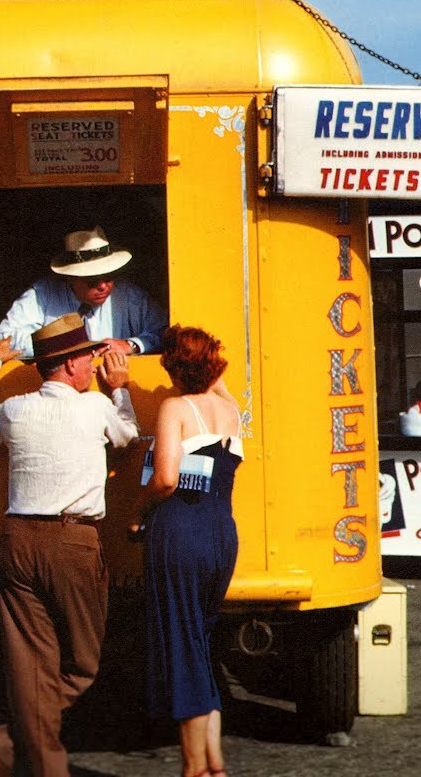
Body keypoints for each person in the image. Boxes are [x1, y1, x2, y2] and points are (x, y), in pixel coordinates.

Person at [0, 313, 139, 777]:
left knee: (29, 663)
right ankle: (6, 741)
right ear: (67, 365)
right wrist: (120, 387)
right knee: (82, 664)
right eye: (89, 356)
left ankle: (14, 751)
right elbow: (127, 435)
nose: (95, 363)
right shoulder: (96, 407)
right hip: (73, 541)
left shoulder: (17, 409)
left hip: (18, 539)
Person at [128, 325, 242, 777]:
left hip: (179, 530)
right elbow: (220, 381)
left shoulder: (174, 407)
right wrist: (210, 364)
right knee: (200, 643)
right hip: (220, 532)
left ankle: (193, 769)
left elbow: (166, 479)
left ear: (173, 367)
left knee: (181, 645)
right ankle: (214, 765)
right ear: (212, 367)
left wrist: (136, 513)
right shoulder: (230, 409)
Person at [0, 225, 167, 356]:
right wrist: (64, 345)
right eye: (93, 281)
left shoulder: (128, 295)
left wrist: (131, 345)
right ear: (71, 278)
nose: (103, 286)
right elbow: (3, 340)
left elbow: (164, 331)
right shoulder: (42, 295)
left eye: (109, 277)